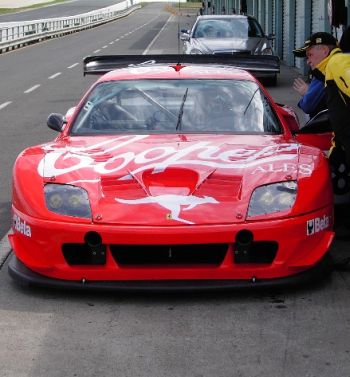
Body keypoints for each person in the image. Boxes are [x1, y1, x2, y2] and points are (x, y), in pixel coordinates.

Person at [293, 32, 338, 120]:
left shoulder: (324, 71)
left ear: (325, 51)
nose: (308, 61)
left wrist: (307, 92)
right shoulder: (339, 64)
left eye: (310, 55)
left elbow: (307, 106)